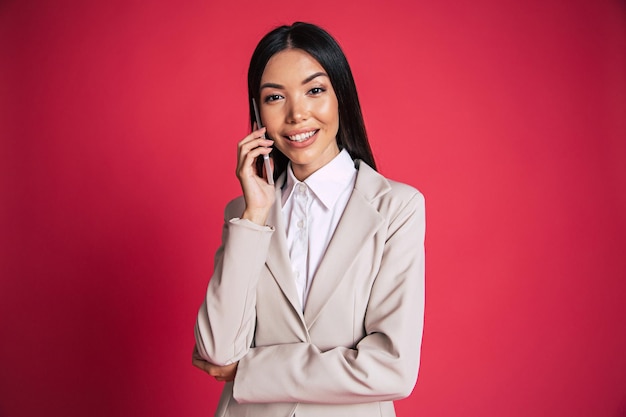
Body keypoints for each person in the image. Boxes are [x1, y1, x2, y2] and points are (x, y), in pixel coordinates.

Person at [192, 22, 425, 417]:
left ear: (341, 96)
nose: (297, 113)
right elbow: (217, 351)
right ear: (256, 111)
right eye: (274, 97)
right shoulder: (244, 214)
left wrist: (250, 371)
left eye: (315, 90)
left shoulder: (396, 208)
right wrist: (254, 216)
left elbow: (392, 368)